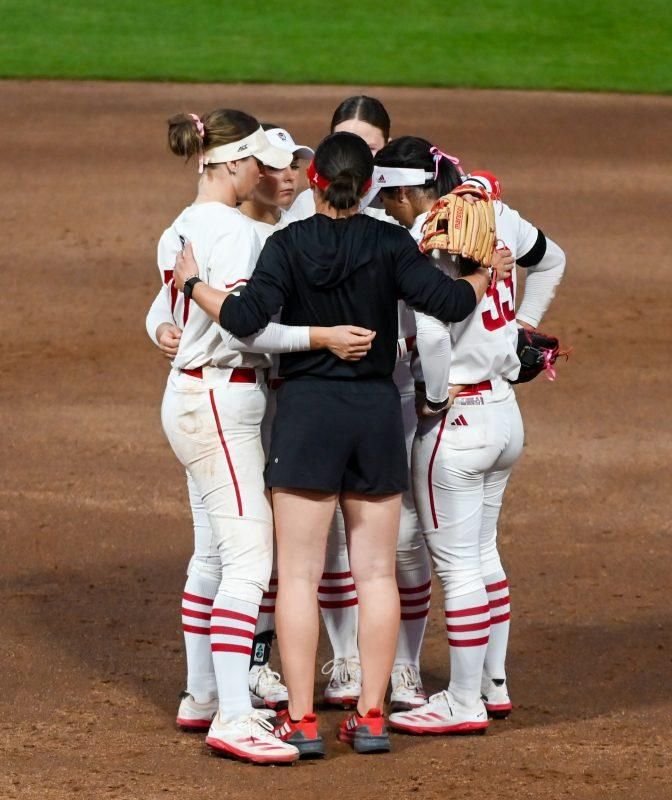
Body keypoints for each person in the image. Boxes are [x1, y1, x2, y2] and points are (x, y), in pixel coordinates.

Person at [174, 131, 505, 757]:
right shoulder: (390, 242)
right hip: (376, 415)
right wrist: (489, 270)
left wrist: (194, 289)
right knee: (377, 573)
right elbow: (454, 302)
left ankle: (301, 721)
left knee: (296, 576)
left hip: (306, 416)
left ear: (317, 183)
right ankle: (373, 716)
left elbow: (247, 321)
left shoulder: (285, 243)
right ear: (370, 185)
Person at [152, 109, 371, 764]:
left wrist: (168, 330)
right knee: (251, 559)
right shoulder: (236, 235)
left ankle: (201, 695)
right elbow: (246, 326)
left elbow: (170, 311)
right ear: (238, 161)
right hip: (223, 399)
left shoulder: (184, 225)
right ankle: (236, 717)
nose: (275, 175)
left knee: (215, 555)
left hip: (192, 393)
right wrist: (321, 337)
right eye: (264, 163)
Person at [372, 135, 566, 733]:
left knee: (455, 566)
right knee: (482, 554)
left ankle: (461, 702)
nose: (387, 210)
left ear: (408, 191)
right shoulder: (493, 213)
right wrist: (522, 326)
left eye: (390, 200)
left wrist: (430, 399)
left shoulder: (429, 234)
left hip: (455, 419)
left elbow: (431, 337)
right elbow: (553, 257)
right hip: (505, 414)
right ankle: (492, 682)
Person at [285, 95, 435, 711]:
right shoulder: (303, 216)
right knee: (339, 549)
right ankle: (346, 662)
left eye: (371, 144)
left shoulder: (410, 211)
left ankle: (405, 665)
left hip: (387, 387)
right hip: (353, 391)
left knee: (401, 543)